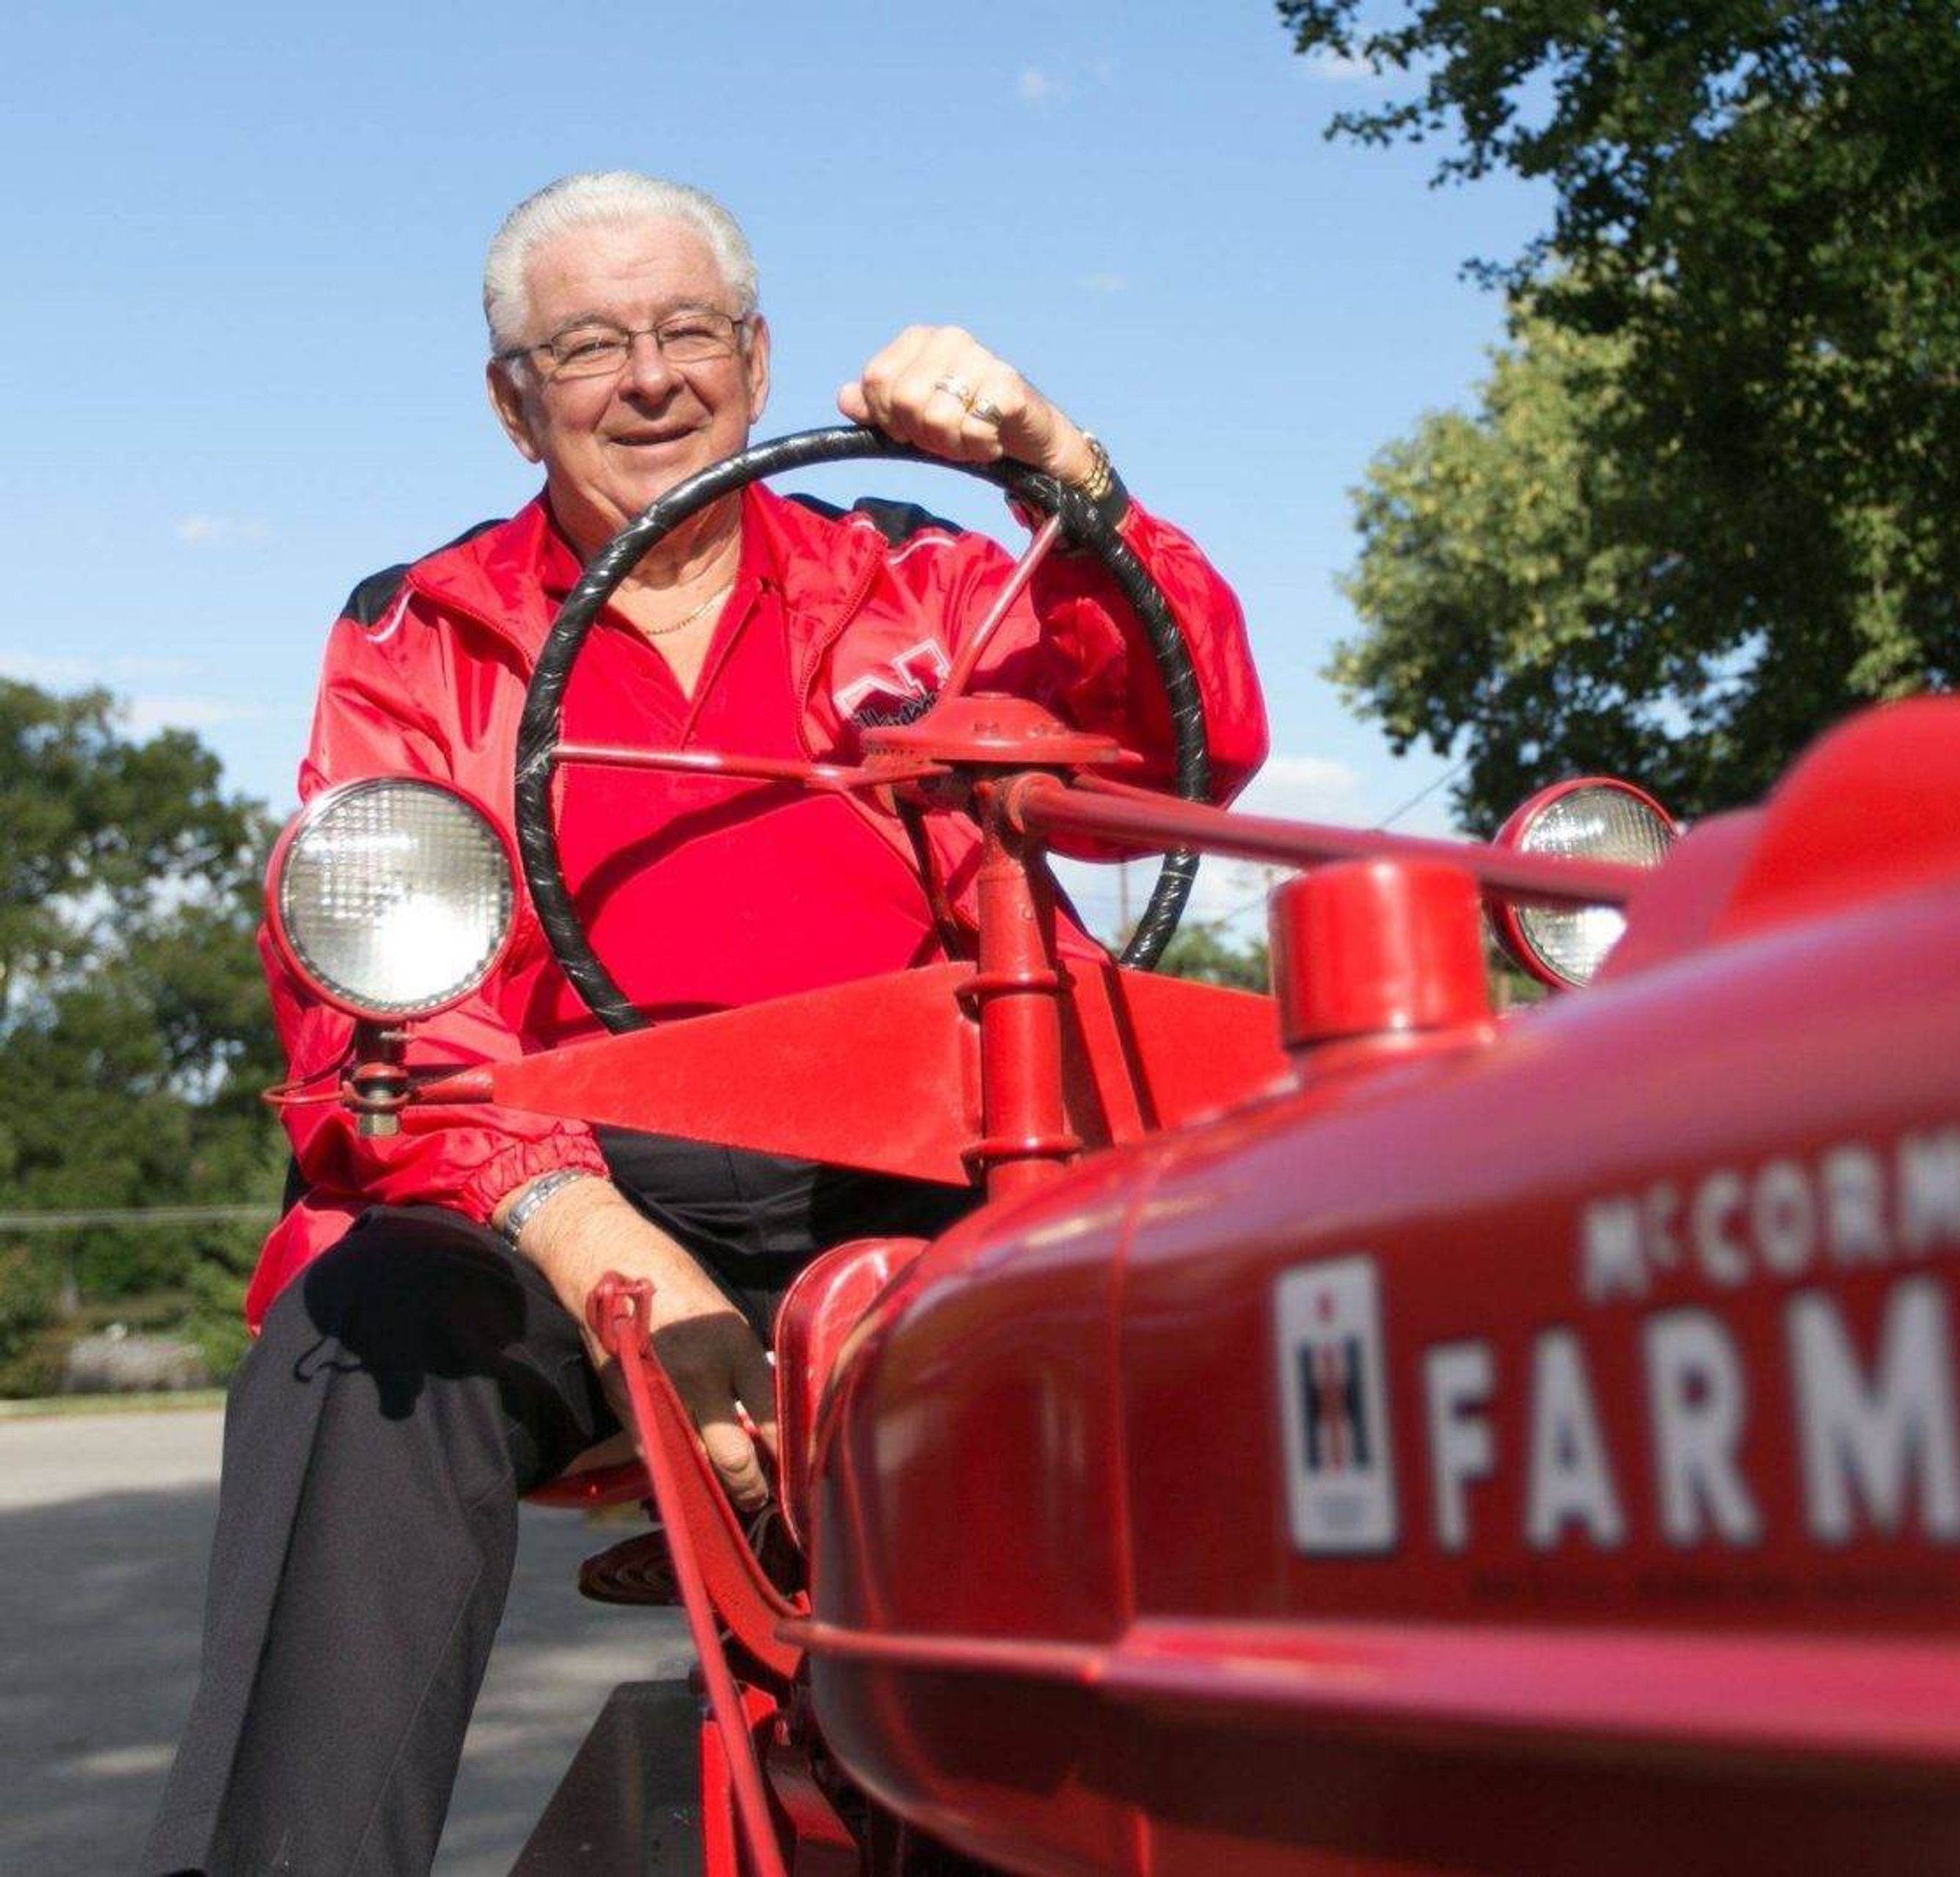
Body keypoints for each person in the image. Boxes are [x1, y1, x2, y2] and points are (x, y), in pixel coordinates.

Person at [145, 171, 1267, 1876]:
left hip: (928, 1168)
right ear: (513, 402)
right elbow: (378, 1037)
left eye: (687, 332)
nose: (650, 377)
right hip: (577, 1177)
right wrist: (601, 1244)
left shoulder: (927, 579)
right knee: (355, 1323)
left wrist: (1058, 462)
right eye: (589, 344)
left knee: (1232, 1305)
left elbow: (1181, 748)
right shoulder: (421, 637)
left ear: (757, 362)